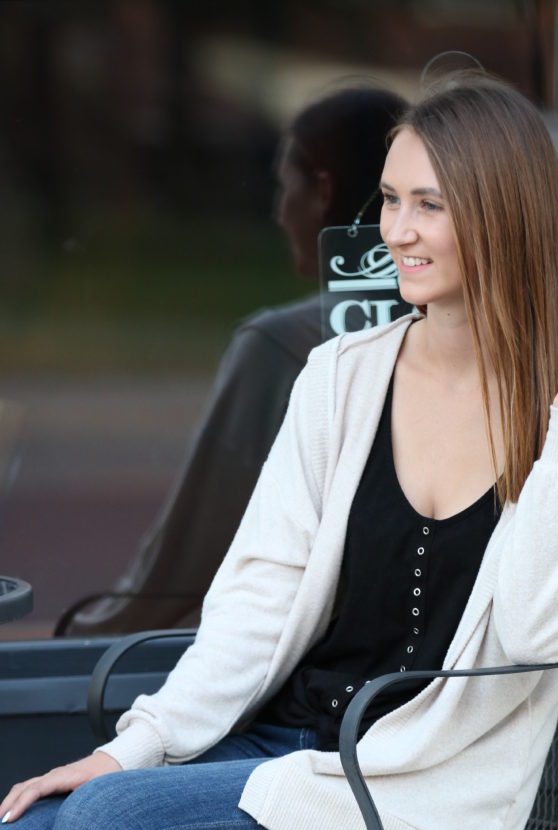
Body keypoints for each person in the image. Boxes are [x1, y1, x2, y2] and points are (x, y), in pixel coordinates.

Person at [0, 70, 558, 830]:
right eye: (388, 200)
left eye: (427, 204)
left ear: (502, 210)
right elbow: (255, 597)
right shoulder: (341, 375)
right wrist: (140, 743)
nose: (394, 229)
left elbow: (539, 642)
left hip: (416, 792)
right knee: (37, 822)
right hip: (288, 749)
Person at [59, 84, 408, 636]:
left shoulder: (283, 345)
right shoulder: (467, 329)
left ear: (322, 190)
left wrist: (81, 640)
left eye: (282, 183)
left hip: (292, 668)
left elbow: (187, 559)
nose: (276, 210)